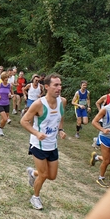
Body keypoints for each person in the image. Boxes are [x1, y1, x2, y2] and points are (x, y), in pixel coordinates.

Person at [20, 73, 67, 210]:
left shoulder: (62, 101)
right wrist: (36, 133)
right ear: (46, 87)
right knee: (44, 174)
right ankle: (35, 197)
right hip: (38, 144)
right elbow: (24, 121)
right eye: (56, 85)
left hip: (53, 144)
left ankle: (32, 173)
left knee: (52, 176)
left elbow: (60, 117)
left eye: (60, 85)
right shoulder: (39, 104)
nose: (59, 88)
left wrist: (61, 129)